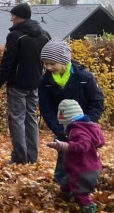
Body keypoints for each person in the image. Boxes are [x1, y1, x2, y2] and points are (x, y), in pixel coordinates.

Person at [39, 38, 104, 192]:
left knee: (85, 155)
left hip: (85, 126)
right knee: (64, 156)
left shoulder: (84, 77)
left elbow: (97, 101)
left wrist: (88, 123)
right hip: (62, 127)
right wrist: (58, 129)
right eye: (45, 64)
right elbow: (46, 108)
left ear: (63, 61)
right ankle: (65, 185)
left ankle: (86, 184)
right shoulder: (45, 82)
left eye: (52, 64)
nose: (48, 67)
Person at [0, 3, 51, 164]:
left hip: (17, 84)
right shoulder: (44, 34)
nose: (11, 18)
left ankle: (20, 157)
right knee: (31, 119)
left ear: (19, 17)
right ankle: (32, 157)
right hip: (36, 83)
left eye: (13, 15)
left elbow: (8, 62)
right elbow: (50, 57)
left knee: (17, 120)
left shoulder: (15, 36)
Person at [46, 99, 104, 213]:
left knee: (81, 192)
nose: (64, 127)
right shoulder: (88, 127)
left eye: (64, 124)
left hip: (83, 169)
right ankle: (65, 194)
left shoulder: (77, 131)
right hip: (91, 166)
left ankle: (89, 209)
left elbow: (83, 145)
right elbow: (100, 142)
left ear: (68, 120)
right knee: (69, 181)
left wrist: (65, 146)